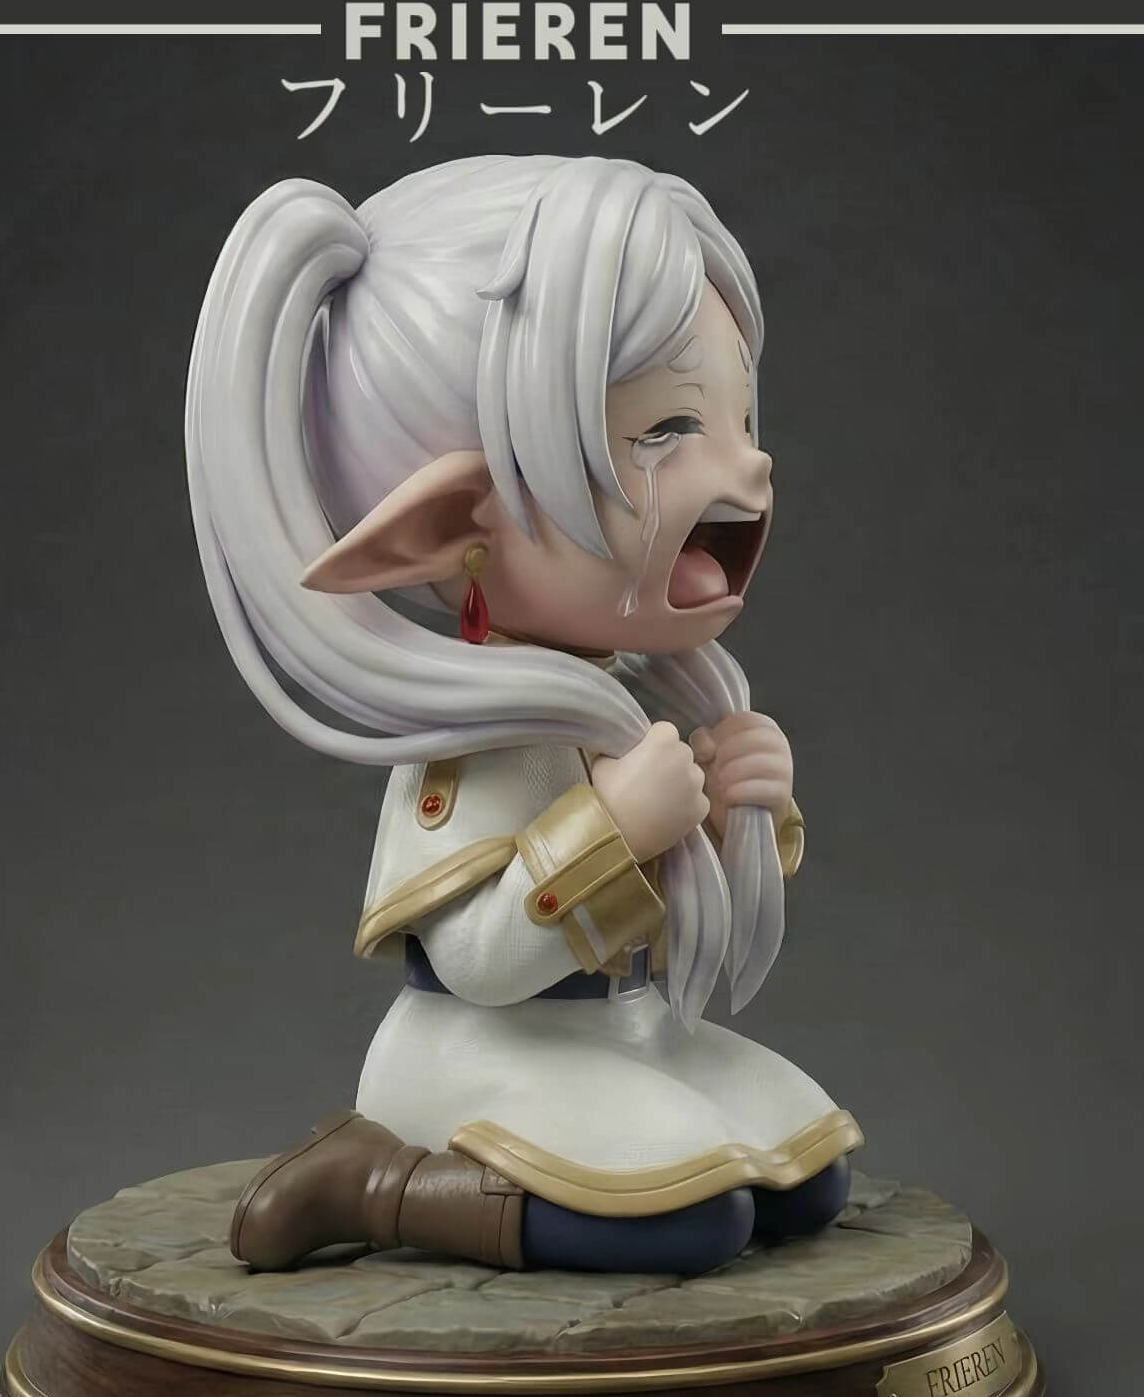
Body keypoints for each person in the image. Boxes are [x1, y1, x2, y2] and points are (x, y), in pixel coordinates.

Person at [185, 156, 861, 1277]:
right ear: (455, 524)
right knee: (691, 1223)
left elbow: (688, 932)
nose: (748, 465)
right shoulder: (479, 740)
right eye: (665, 430)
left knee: (806, 1182)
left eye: (738, 417)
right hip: (478, 1051)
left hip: (624, 1029)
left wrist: (737, 812)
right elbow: (478, 962)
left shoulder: (631, 702)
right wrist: (614, 830)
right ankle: (374, 1181)